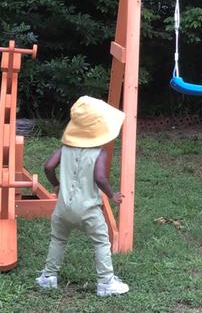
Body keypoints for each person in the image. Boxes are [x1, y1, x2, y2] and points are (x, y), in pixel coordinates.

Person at [35, 96, 130, 297]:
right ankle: (105, 282)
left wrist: (56, 185)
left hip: (63, 208)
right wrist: (112, 195)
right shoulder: (100, 153)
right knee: (101, 242)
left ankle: (48, 277)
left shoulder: (65, 148)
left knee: (58, 239)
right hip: (88, 210)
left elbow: (48, 166)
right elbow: (100, 178)